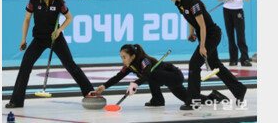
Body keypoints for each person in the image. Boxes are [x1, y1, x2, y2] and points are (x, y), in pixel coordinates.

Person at [5, 0, 94, 108]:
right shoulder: (34, 1)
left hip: (55, 38)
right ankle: (16, 101)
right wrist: (23, 39)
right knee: (25, 66)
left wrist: (59, 30)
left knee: (70, 65)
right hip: (39, 39)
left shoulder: (59, 2)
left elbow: (69, 18)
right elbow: (27, 20)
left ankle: (89, 92)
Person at [162, 0, 247, 109]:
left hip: (211, 35)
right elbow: (190, 19)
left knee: (194, 64)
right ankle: (239, 89)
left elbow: (202, 25)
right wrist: (191, 33)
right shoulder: (179, 3)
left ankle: (193, 101)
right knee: (214, 65)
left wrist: (202, 46)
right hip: (204, 36)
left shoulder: (192, 2)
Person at [91, 44, 229, 110]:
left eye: (124, 57)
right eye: (121, 57)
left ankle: (158, 100)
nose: (123, 60)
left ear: (132, 56)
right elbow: (117, 77)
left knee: (150, 75)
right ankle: (213, 97)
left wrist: (136, 83)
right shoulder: (130, 66)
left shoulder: (144, 61)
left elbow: (146, 74)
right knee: (190, 99)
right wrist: (103, 87)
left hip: (174, 76)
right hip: (167, 79)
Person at [216, 0, 252, 66]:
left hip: (238, 10)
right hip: (227, 10)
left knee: (240, 35)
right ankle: (233, 59)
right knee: (230, 35)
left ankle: (245, 59)